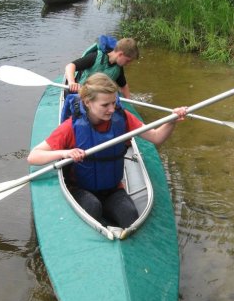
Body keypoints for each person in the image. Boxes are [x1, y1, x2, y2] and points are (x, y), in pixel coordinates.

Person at [27, 73, 188, 228]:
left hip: (112, 189)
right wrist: (65, 153)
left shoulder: (122, 118)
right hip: (81, 189)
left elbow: (156, 137)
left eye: (113, 102)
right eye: (105, 105)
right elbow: (33, 156)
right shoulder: (70, 127)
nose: (111, 109)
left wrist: (172, 120)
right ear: (88, 102)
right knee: (92, 207)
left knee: (130, 215)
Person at [64, 37, 139, 99]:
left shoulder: (118, 68)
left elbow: (123, 86)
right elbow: (70, 66)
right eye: (127, 61)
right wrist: (71, 82)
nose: (128, 64)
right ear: (120, 54)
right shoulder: (95, 57)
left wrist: (128, 101)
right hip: (80, 92)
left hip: (96, 98)